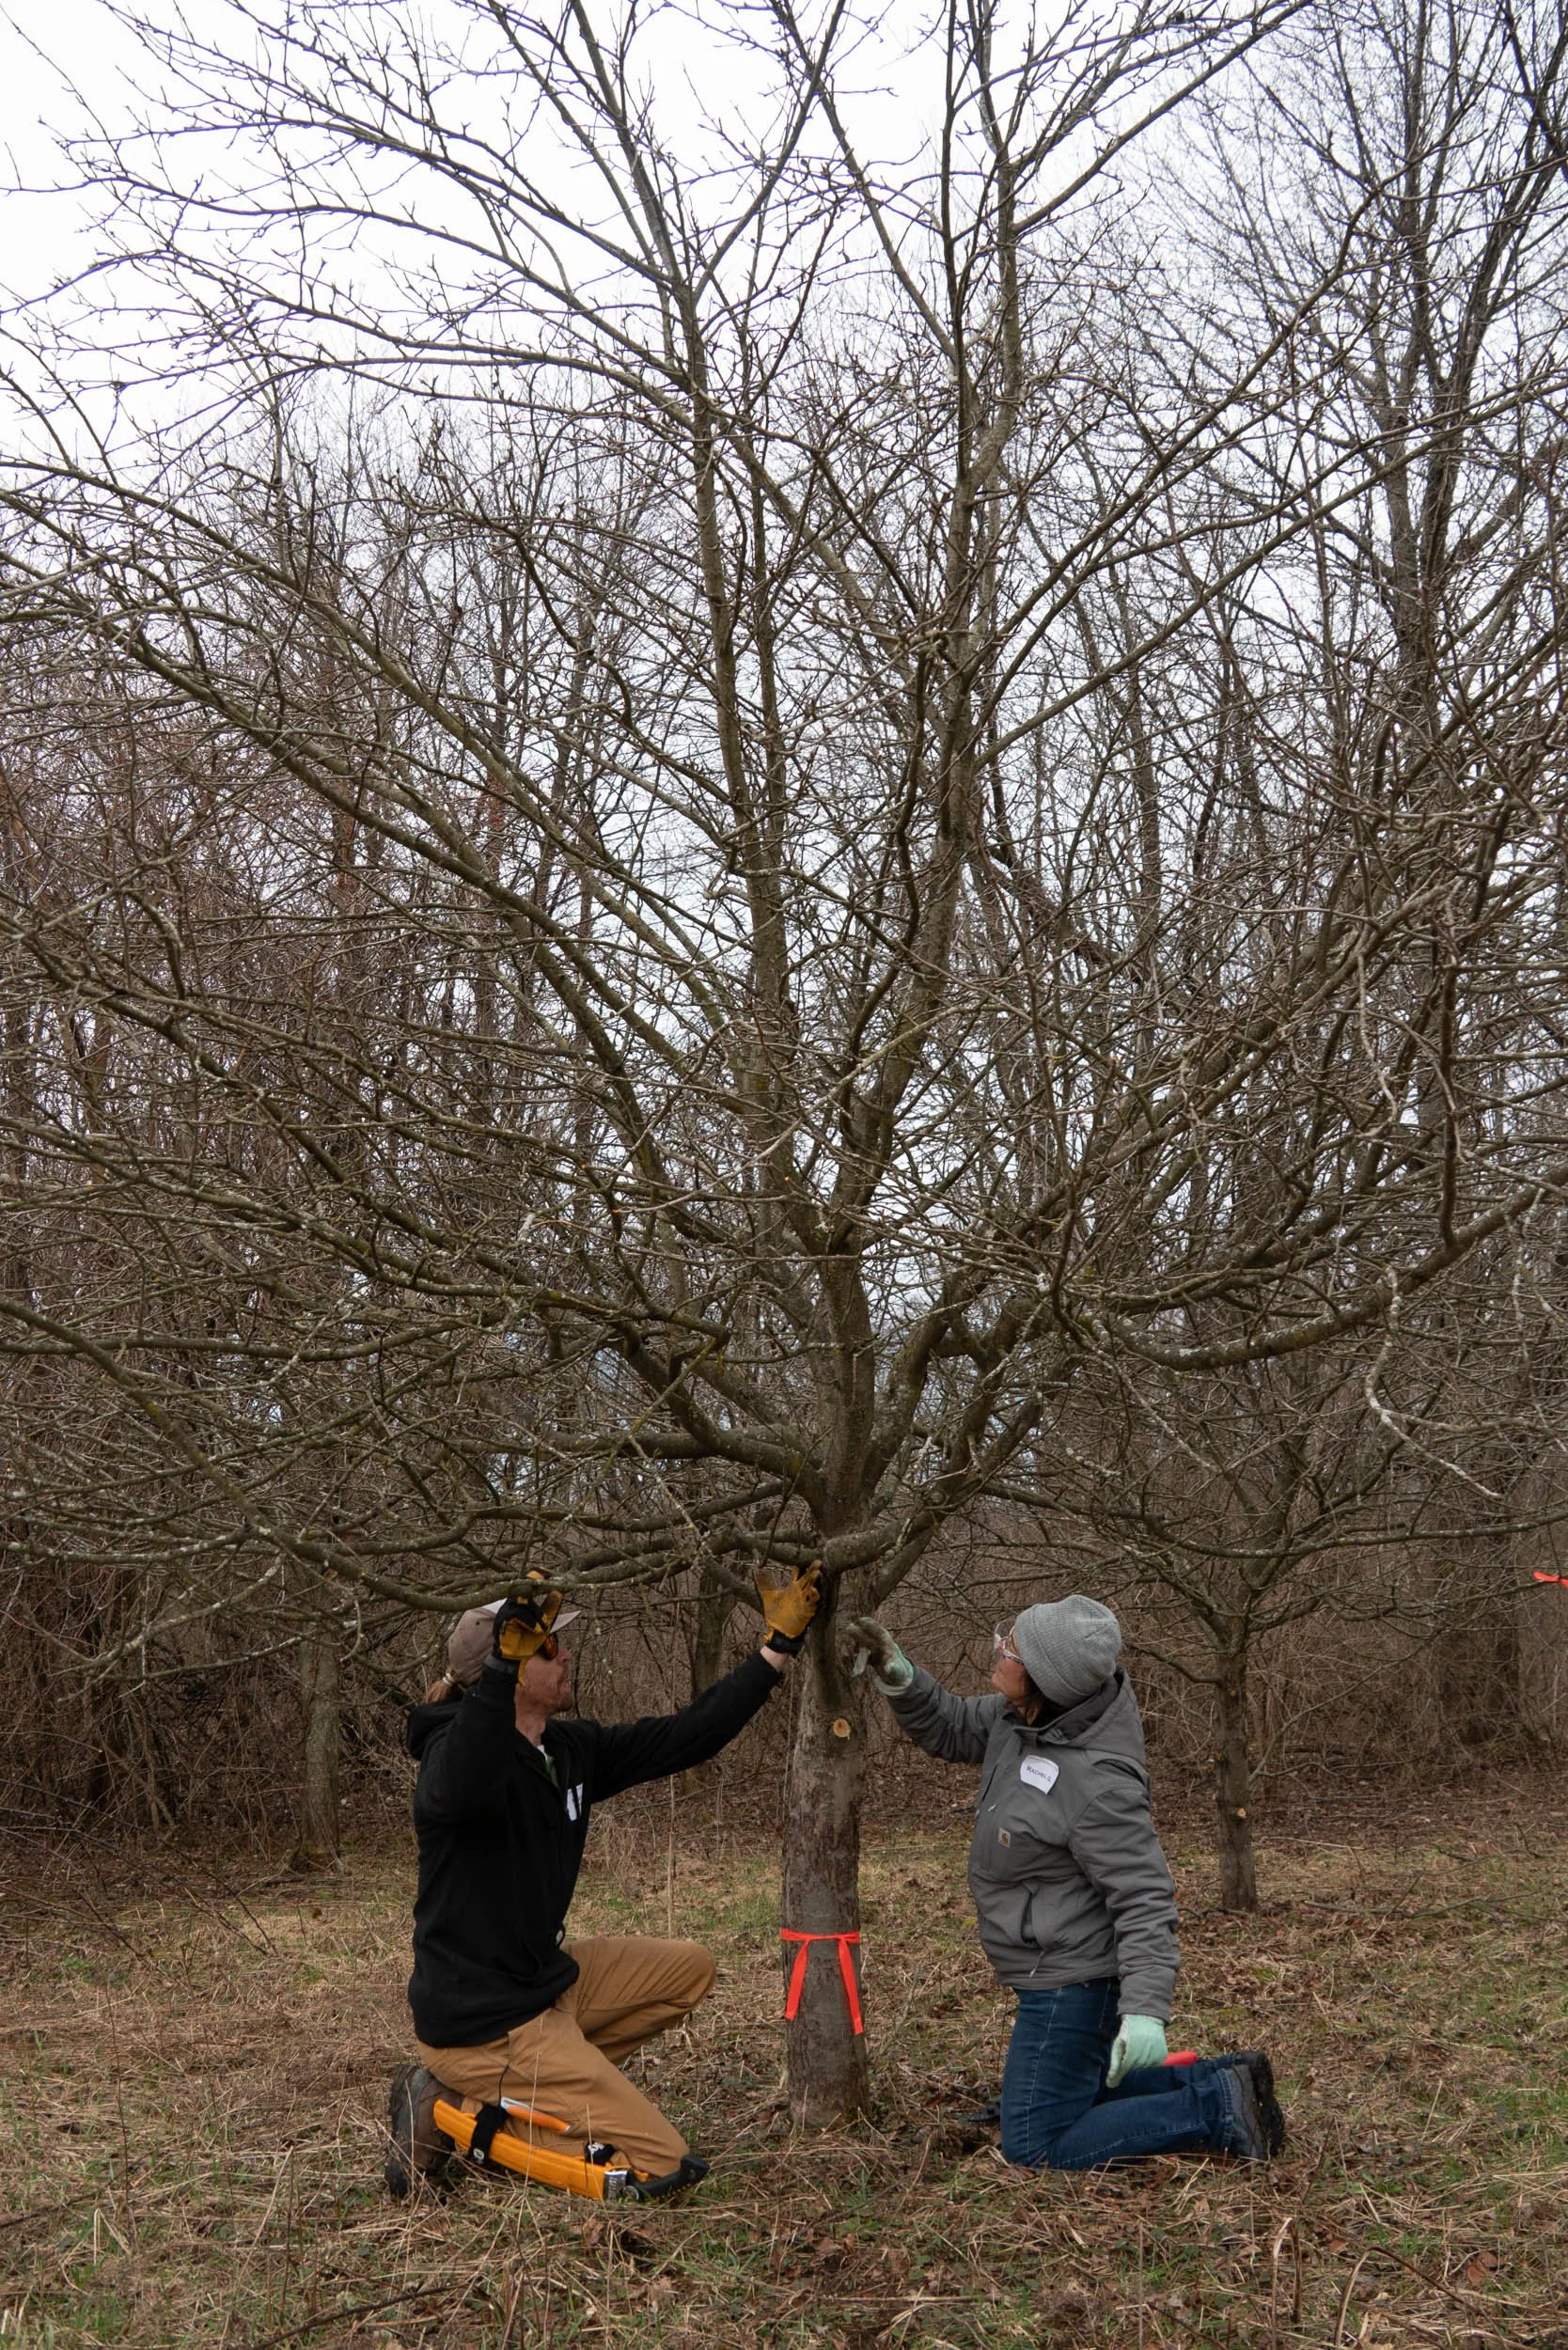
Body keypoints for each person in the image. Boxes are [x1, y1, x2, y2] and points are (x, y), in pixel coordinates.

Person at [386, 1562, 822, 2199]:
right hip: (483, 2023)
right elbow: (461, 1784)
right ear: (508, 1668)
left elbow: (685, 1737)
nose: (566, 1657)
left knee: (689, 1969)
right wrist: (499, 1677)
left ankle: (520, 2089)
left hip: (543, 1988)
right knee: (658, 2166)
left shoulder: (565, 1750)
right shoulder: (455, 1759)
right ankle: (463, 2115)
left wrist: (776, 1650)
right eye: (550, 1646)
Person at [845, 1595, 1285, 2170]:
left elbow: (1145, 1896)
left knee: (1036, 2142)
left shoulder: (1098, 1780)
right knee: (1061, 2097)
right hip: (1049, 1963)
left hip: (1074, 1980)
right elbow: (952, 1727)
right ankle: (1222, 2078)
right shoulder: (1021, 1719)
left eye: (1013, 1648)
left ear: (1043, 1678)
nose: (999, 1650)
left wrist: (1146, 2011)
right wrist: (900, 1676)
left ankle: (1217, 2108)